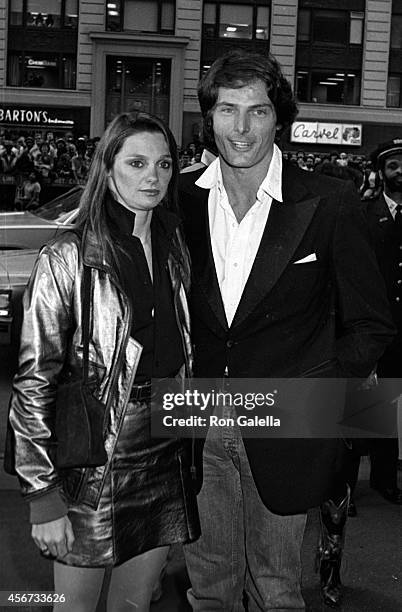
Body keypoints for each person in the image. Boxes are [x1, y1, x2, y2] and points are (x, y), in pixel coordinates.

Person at [178, 49, 394, 611]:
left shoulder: (329, 202)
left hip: (286, 416)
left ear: (279, 118)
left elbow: (372, 324)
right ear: (209, 116)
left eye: (257, 110)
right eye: (227, 110)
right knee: (208, 589)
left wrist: (315, 394)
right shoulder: (179, 199)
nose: (241, 128)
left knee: (276, 590)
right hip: (193, 414)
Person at [6, 111, 200, 611]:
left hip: (165, 446)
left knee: (136, 605)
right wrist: (41, 495)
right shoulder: (67, 255)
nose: (152, 177)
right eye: (136, 163)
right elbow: (34, 381)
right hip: (93, 460)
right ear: (107, 167)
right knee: (73, 608)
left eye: (162, 164)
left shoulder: (175, 241)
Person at [361, 138, 402, 505]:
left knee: (395, 406)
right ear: (381, 171)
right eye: (393, 165)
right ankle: (343, 486)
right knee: (367, 404)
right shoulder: (363, 212)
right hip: (373, 326)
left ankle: (385, 479)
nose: (400, 171)